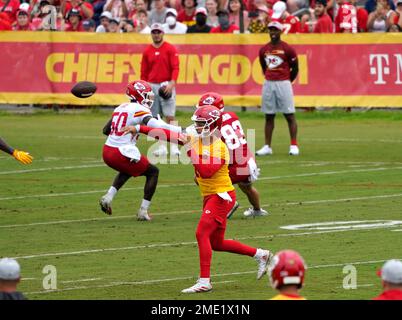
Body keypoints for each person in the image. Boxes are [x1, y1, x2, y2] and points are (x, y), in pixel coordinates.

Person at [122, 106, 273, 293]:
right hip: (210, 195)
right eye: (197, 123)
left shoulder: (219, 147)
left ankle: (204, 282)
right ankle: (261, 254)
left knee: (201, 233)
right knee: (216, 243)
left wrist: (189, 148)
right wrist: (139, 129)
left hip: (221, 196)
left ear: (212, 125)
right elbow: (167, 134)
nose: (197, 126)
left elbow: (206, 171)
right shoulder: (196, 137)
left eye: (201, 124)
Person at [100, 80, 182, 221]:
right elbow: (156, 125)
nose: (150, 98)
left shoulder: (120, 107)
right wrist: (180, 129)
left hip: (107, 151)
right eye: (147, 95)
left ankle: (108, 197)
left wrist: (121, 135)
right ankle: (143, 211)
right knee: (153, 172)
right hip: (120, 152)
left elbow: (106, 130)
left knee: (129, 169)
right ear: (139, 96)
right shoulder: (140, 109)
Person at [196, 92, 268, 218]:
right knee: (246, 187)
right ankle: (257, 210)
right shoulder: (232, 115)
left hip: (234, 165)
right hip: (248, 162)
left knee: (201, 177)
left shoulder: (213, 128)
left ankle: (229, 203)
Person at [256, 21, 300, 156]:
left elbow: (295, 68)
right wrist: (271, 77)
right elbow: (264, 66)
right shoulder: (264, 49)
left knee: (289, 115)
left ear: (280, 32)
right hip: (269, 83)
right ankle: (267, 146)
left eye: (275, 30)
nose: (273, 33)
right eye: (270, 30)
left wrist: (287, 80)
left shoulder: (287, 48)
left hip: (283, 83)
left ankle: (293, 145)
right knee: (269, 116)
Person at [140, 23, 181, 157]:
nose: (156, 34)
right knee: (155, 118)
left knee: (170, 116)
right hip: (152, 85)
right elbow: (144, 71)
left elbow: (175, 67)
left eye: (158, 32)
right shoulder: (147, 51)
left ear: (162, 33)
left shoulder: (170, 48)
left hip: (165, 84)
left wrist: (172, 83)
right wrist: (145, 88)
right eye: (154, 32)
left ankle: (175, 145)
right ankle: (161, 146)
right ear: (151, 33)